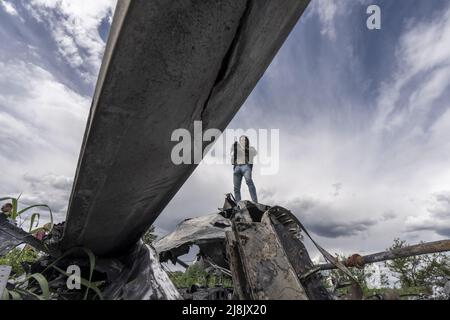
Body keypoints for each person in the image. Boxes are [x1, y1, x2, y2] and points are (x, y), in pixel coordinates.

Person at [231, 135, 258, 203]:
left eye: (245, 140)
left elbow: (254, 153)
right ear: (240, 141)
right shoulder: (237, 150)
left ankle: (255, 201)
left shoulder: (251, 148)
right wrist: (235, 149)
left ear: (247, 141)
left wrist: (243, 149)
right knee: (236, 188)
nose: (243, 141)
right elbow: (232, 160)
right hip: (237, 168)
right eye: (242, 140)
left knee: (249, 182)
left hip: (246, 167)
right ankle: (238, 204)